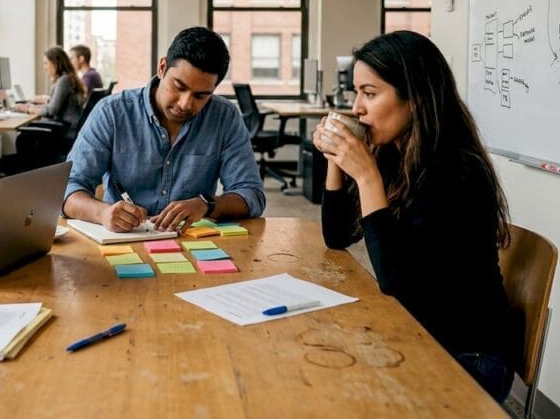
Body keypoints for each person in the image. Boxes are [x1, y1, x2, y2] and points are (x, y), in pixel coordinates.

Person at [313, 30, 520, 402]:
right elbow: (337, 235)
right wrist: (335, 160)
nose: (356, 108)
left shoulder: (456, 170)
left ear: (414, 98)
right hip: (421, 331)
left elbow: (396, 281)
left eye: (369, 93)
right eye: (356, 92)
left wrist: (367, 177)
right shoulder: (396, 154)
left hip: (468, 355)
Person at [64, 27, 265, 232]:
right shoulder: (111, 113)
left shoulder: (224, 117)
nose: (185, 104)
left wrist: (207, 204)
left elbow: (252, 195)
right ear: (162, 68)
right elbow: (68, 188)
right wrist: (102, 213)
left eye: (200, 96)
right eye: (179, 86)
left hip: (190, 240)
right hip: (122, 238)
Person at [15, 46, 85, 135]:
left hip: (67, 131)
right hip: (66, 127)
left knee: (23, 134)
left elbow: (51, 111)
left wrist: (28, 109)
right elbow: (53, 106)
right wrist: (34, 107)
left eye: (46, 63)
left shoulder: (64, 80)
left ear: (56, 64)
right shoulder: (67, 78)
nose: (44, 67)